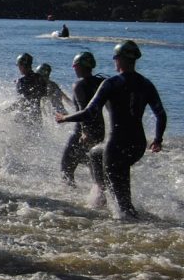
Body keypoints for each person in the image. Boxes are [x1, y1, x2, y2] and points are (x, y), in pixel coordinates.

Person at [56, 41, 166, 219]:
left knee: (123, 204)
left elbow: (90, 112)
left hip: (116, 146)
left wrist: (65, 118)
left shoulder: (111, 83)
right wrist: (158, 140)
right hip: (138, 145)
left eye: (115, 58)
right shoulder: (146, 84)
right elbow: (161, 114)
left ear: (120, 59)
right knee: (94, 154)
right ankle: (100, 192)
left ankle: (131, 228)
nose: (114, 61)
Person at [59, 51, 105, 187]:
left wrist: (84, 131)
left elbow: (84, 110)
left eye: (75, 66)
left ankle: (70, 198)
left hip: (82, 132)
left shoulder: (79, 85)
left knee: (66, 168)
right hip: (100, 130)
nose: (74, 69)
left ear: (79, 66)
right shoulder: (101, 82)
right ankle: (100, 195)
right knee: (94, 166)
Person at [11, 53, 48, 126]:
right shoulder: (40, 78)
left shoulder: (21, 81)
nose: (18, 68)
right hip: (37, 116)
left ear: (22, 66)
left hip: (24, 117)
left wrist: (5, 111)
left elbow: (20, 102)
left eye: (19, 66)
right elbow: (44, 94)